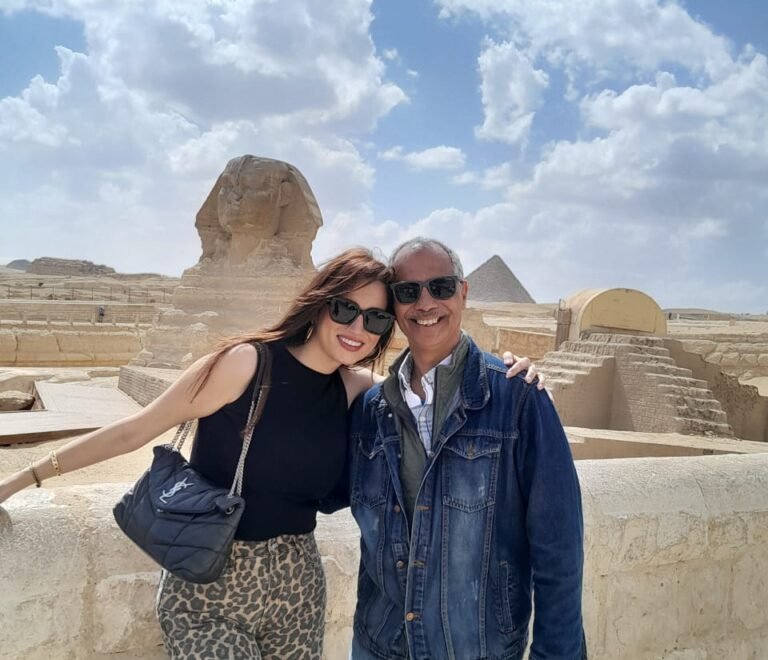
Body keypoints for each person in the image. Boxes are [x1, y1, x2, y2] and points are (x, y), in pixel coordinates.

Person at [0, 247, 539, 660]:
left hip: (297, 587)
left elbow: (439, 391)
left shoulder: (358, 390)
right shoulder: (247, 364)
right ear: (320, 304)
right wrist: (20, 479)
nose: (357, 328)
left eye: (376, 319)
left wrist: (513, 372)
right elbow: (134, 430)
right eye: (345, 309)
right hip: (210, 584)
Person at [348, 238, 586, 660]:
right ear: (394, 306)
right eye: (408, 291)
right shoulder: (371, 409)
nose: (425, 303)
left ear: (463, 292)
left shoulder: (517, 399)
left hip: (476, 648)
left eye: (440, 287)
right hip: (380, 646)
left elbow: (558, 548)